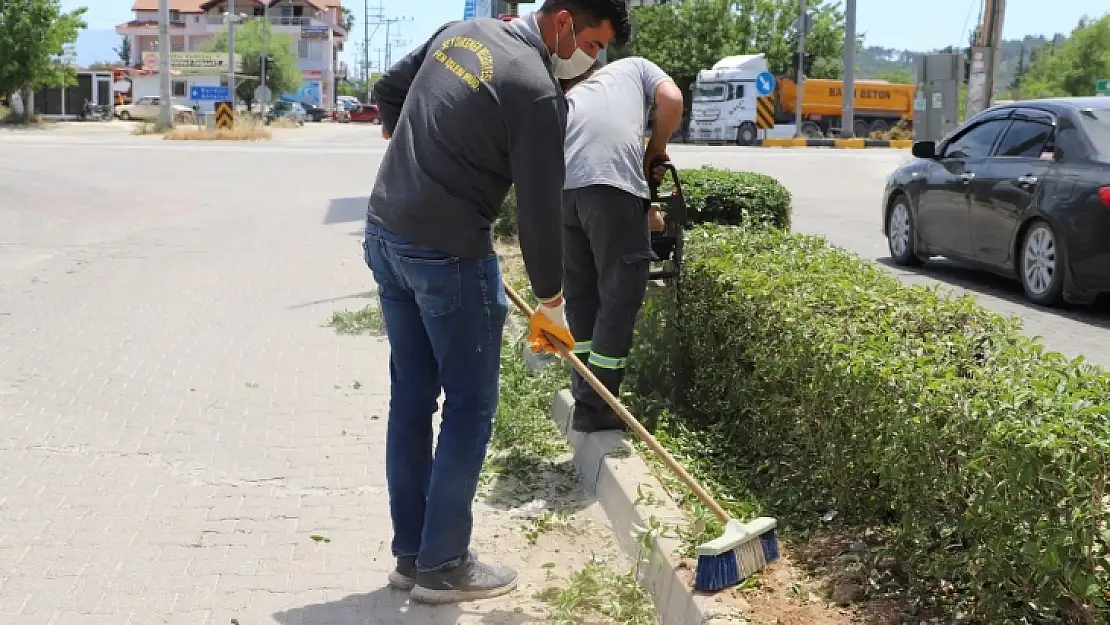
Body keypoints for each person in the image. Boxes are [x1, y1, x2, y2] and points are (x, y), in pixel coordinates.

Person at [363, 0, 632, 606]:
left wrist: (416, 160)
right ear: (563, 22)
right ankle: (444, 566)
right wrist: (552, 303)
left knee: (411, 399)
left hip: (386, 233)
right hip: (448, 256)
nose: (592, 61)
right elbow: (539, 215)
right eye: (592, 45)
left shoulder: (462, 31)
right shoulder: (537, 91)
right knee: (469, 407)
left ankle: (412, 557)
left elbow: (388, 90)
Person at [558, 56, 684, 433]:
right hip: (609, 188)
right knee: (619, 295)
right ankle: (601, 407)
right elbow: (673, 101)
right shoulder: (638, 67)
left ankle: (586, 397)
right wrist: (654, 149)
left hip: (563, 194)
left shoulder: (576, 95)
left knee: (581, 297)